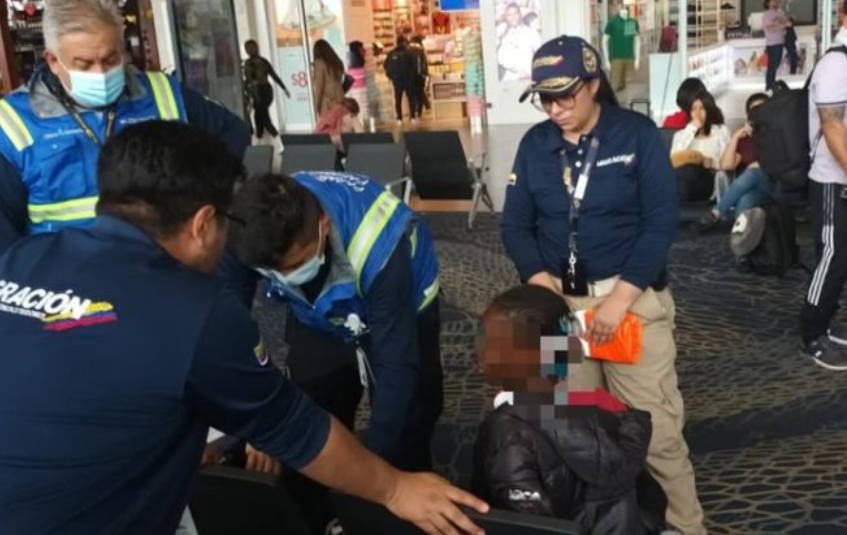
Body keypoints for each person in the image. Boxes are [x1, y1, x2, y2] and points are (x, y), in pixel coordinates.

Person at [0, 121, 488, 535]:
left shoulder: (21, 258)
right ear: (205, 224)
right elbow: (277, 402)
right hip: (81, 516)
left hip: (396, 310)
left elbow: (394, 363)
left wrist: (392, 480)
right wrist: (249, 415)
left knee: (407, 410)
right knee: (314, 398)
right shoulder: (213, 281)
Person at [502, 35, 706, 535]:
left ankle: (685, 525)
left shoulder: (635, 135)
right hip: (561, 304)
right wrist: (540, 285)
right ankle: (602, 522)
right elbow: (514, 226)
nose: (555, 108)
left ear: (593, 84)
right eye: (545, 98)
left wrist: (620, 298)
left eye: (566, 95)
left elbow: (661, 220)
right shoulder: (534, 146)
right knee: (574, 428)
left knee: (653, 430)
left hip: (630, 302)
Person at [229, 172, 443, 532]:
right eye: (273, 272)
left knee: (404, 426)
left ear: (323, 226)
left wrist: (374, 480)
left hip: (400, 313)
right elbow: (230, 327)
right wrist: (262, 421)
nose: (285, 278)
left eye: (295, 266)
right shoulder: (242, 229)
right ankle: (325, 519)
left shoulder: (376, 242)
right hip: (315, 319)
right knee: (307, 419)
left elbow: (397, 367)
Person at [0, 0, 249, 256]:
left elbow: (233, 135)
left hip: (165, 267)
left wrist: (196, 200)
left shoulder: (165, 94)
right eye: (84, 64)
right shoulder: (12, 124)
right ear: (53, 60)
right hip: (69, 278)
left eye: (111, 59)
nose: (101, 73)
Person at [473, 284, 667, 535]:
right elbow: (652, 500)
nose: (478, 353)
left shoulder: (506, 434)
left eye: (489, 342)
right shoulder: (608, 410)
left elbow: (528, 527)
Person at [799, 6, 847, 368]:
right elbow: (832, 127)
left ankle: (829, 322)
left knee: (842, 258)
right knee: (831, 257)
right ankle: (812, 333)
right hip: (832, 180)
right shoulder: (835, 64)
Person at [698, 92, 772, 231]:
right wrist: (736, 137)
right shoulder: (745, 138)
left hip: (776, 184)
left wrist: (763, 164)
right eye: (754, 112)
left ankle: (717, 211)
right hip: (758, 190)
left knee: (753, 171)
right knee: (745, 201)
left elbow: (786, 162)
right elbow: (726, 165)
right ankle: (740, 237)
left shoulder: (779, 132)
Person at [670, 91, 731, 202]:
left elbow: (727, 162)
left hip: (708, 180)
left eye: (702, 108)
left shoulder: (721, 131)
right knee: (683, 178)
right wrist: (691, 129)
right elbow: (675, 160)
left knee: (687, 174)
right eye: (694, 109)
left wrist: (712, 162)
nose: (697, 113)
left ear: (709, 110)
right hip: (684, 180)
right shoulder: (680, 135)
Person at [243, 39, 290, 139]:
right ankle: (265, 139)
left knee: (262, 116)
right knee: (259, 115)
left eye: (250, 48)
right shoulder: (257, 62)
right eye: (247, 48)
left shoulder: (253, 63)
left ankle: (276, 138)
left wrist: (284, 88)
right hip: (262, 91)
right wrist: (284, 88)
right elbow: (273, 75)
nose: (248, 50)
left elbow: (272, 75)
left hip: (261, 91)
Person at [496, 3, 540, 82]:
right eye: (509, 15)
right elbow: (500, 58)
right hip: (511, 77)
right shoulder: (504, 35)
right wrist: (517, 70)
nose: (513, 17)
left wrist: (530, 72)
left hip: (529, 76)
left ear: (520, 14)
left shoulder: (531, 33)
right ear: (506, 17)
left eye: (515, 13)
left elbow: (540, 54)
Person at [385, 35, 413, 124]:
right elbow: (412, 65)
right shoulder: (407, 52)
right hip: (407, 79)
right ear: (404, 42)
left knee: (398, 99)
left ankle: (399, 118)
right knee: (410, 98)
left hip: (396, 80)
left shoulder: (391, 53)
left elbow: (385, 65)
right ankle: (412, 117)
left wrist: (391, 76)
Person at [313, 39, 346, 116]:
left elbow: (319, 88)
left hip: (328, 104)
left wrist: (315, 107)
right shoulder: (337, 61)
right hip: (340, 100)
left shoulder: (319, 64)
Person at [762, 0, 788, 91]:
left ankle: (772, 84)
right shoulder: (767, 15)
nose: (775, 2)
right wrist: (782, 26)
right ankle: (769, 85)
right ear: (768, 3)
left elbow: (786, 21)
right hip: (772, 43)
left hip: (780, 42)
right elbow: (770, 29)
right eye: (773, 1)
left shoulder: (779, 13)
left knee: (775, 64)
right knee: (773, 65)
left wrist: (782, 10)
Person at [408, 34, 429, 123]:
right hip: (420, 76)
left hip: (409, 76)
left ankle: (412, 114)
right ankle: (419, 113)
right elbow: (424, 64)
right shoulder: (420, 51)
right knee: (420, 94)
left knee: (411, 95)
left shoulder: (407, 50)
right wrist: (425, 74)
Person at [347, 41, 369, 121]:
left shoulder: (351, 62)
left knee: (357, 110)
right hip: (362, 87)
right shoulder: (361, 61)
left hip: (354, 89)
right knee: (363, 108)